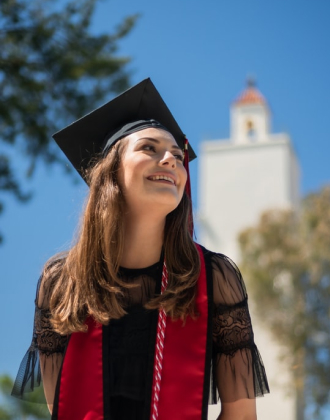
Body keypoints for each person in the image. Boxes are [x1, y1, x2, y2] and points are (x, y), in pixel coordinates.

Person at [12, 78, 269, 420]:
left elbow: (241, 416)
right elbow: (60, 408)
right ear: (112, 172)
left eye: (178, 155)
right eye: (150, 148)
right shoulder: (62, 283)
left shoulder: (212, 279)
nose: (171, 161)